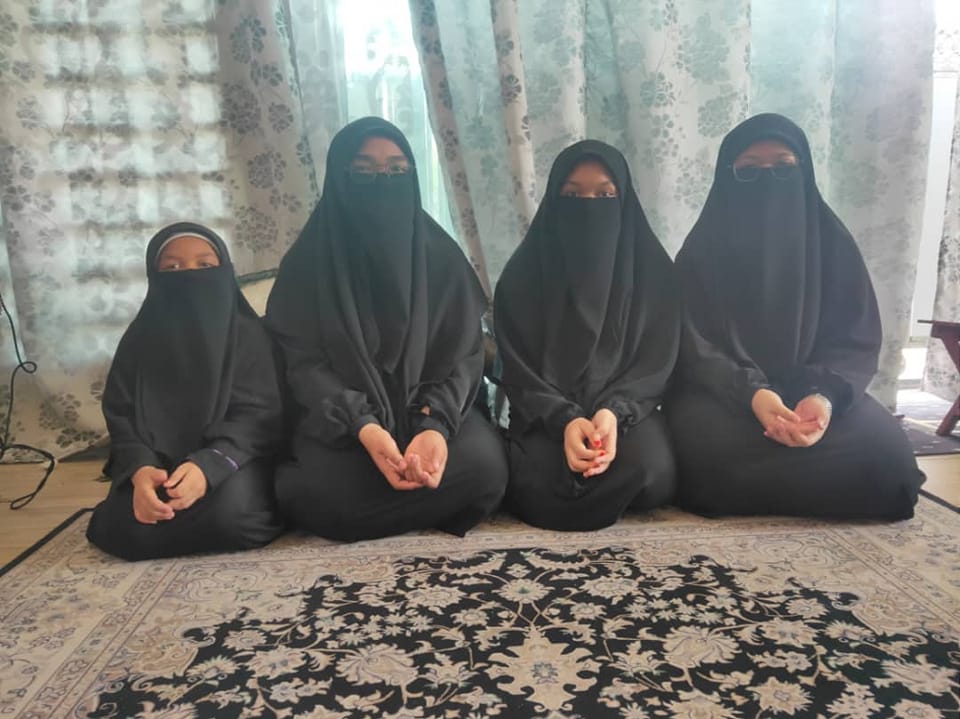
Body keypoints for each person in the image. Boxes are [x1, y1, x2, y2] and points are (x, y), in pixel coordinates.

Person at [665, 113, 924, 519]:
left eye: (784, 168)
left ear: (804, 173)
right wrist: (753, 393)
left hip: (812, 391)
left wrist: (822, 398)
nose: (768, 180)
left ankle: (779, 476)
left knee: (892, 468)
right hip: (722, 396)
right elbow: (692, 347)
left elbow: (854, 340)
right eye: (749, 170)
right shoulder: (701, 254)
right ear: (726, 177)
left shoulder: (833, 246)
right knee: (707, 467)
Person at [265, 117, 507, 541]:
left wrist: (433, 426)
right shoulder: (307, 265)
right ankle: (422, 498)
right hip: (343, 426)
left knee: (487, 470)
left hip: (430, 411)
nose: (383, 182)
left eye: (397, 171)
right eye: (364, 172)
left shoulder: (441, 259)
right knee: (315, 493)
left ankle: (390, 501)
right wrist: (366, 426)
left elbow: (465, 357)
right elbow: (303, 366)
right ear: (339, 181)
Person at [494, 140, 680, 531]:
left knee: (653, 473)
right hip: (545, 416)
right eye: (572, 195)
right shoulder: (521, 277)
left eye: (605, 195)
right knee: (533, 484)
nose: (589, 207)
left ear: (624, 202)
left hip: (626, 416)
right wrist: (566, 420)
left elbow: (656, 364)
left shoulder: (655, 276)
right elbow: (516, 370)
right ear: (553, 201)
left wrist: (612, 412)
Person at [87, 223, 284, 560]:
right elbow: (121, 415)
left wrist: (208, 467)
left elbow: (259, 416)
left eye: (204, 264)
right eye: (173, 267)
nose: (189, 275)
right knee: (118, 528)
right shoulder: (138, 340)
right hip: (159, 465)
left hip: (233, 458)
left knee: (234, 520)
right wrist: (142, 471)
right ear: (155, 277)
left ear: (224, 271)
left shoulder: (247, 335)